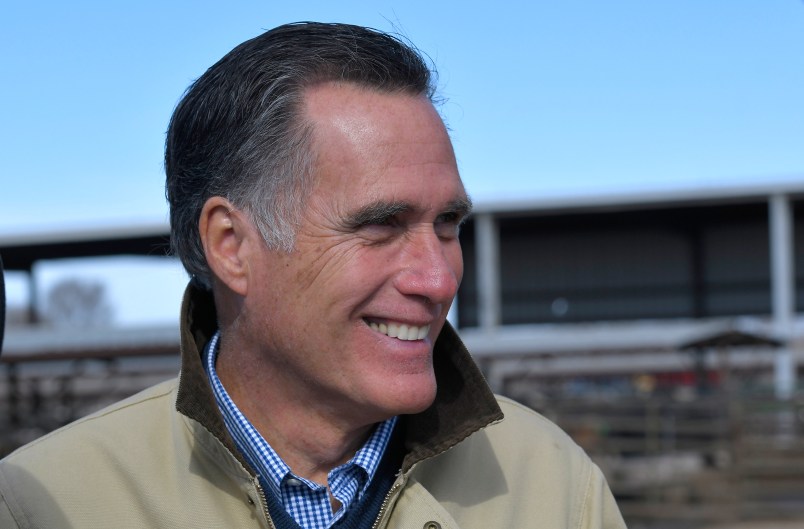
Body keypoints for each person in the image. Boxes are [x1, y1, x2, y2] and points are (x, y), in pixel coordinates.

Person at [0, 22, 626, 528]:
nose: (438, 279)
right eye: (380, 225)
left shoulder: (552, 488)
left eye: (446, 225)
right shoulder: (44, 505)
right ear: (231, 245)